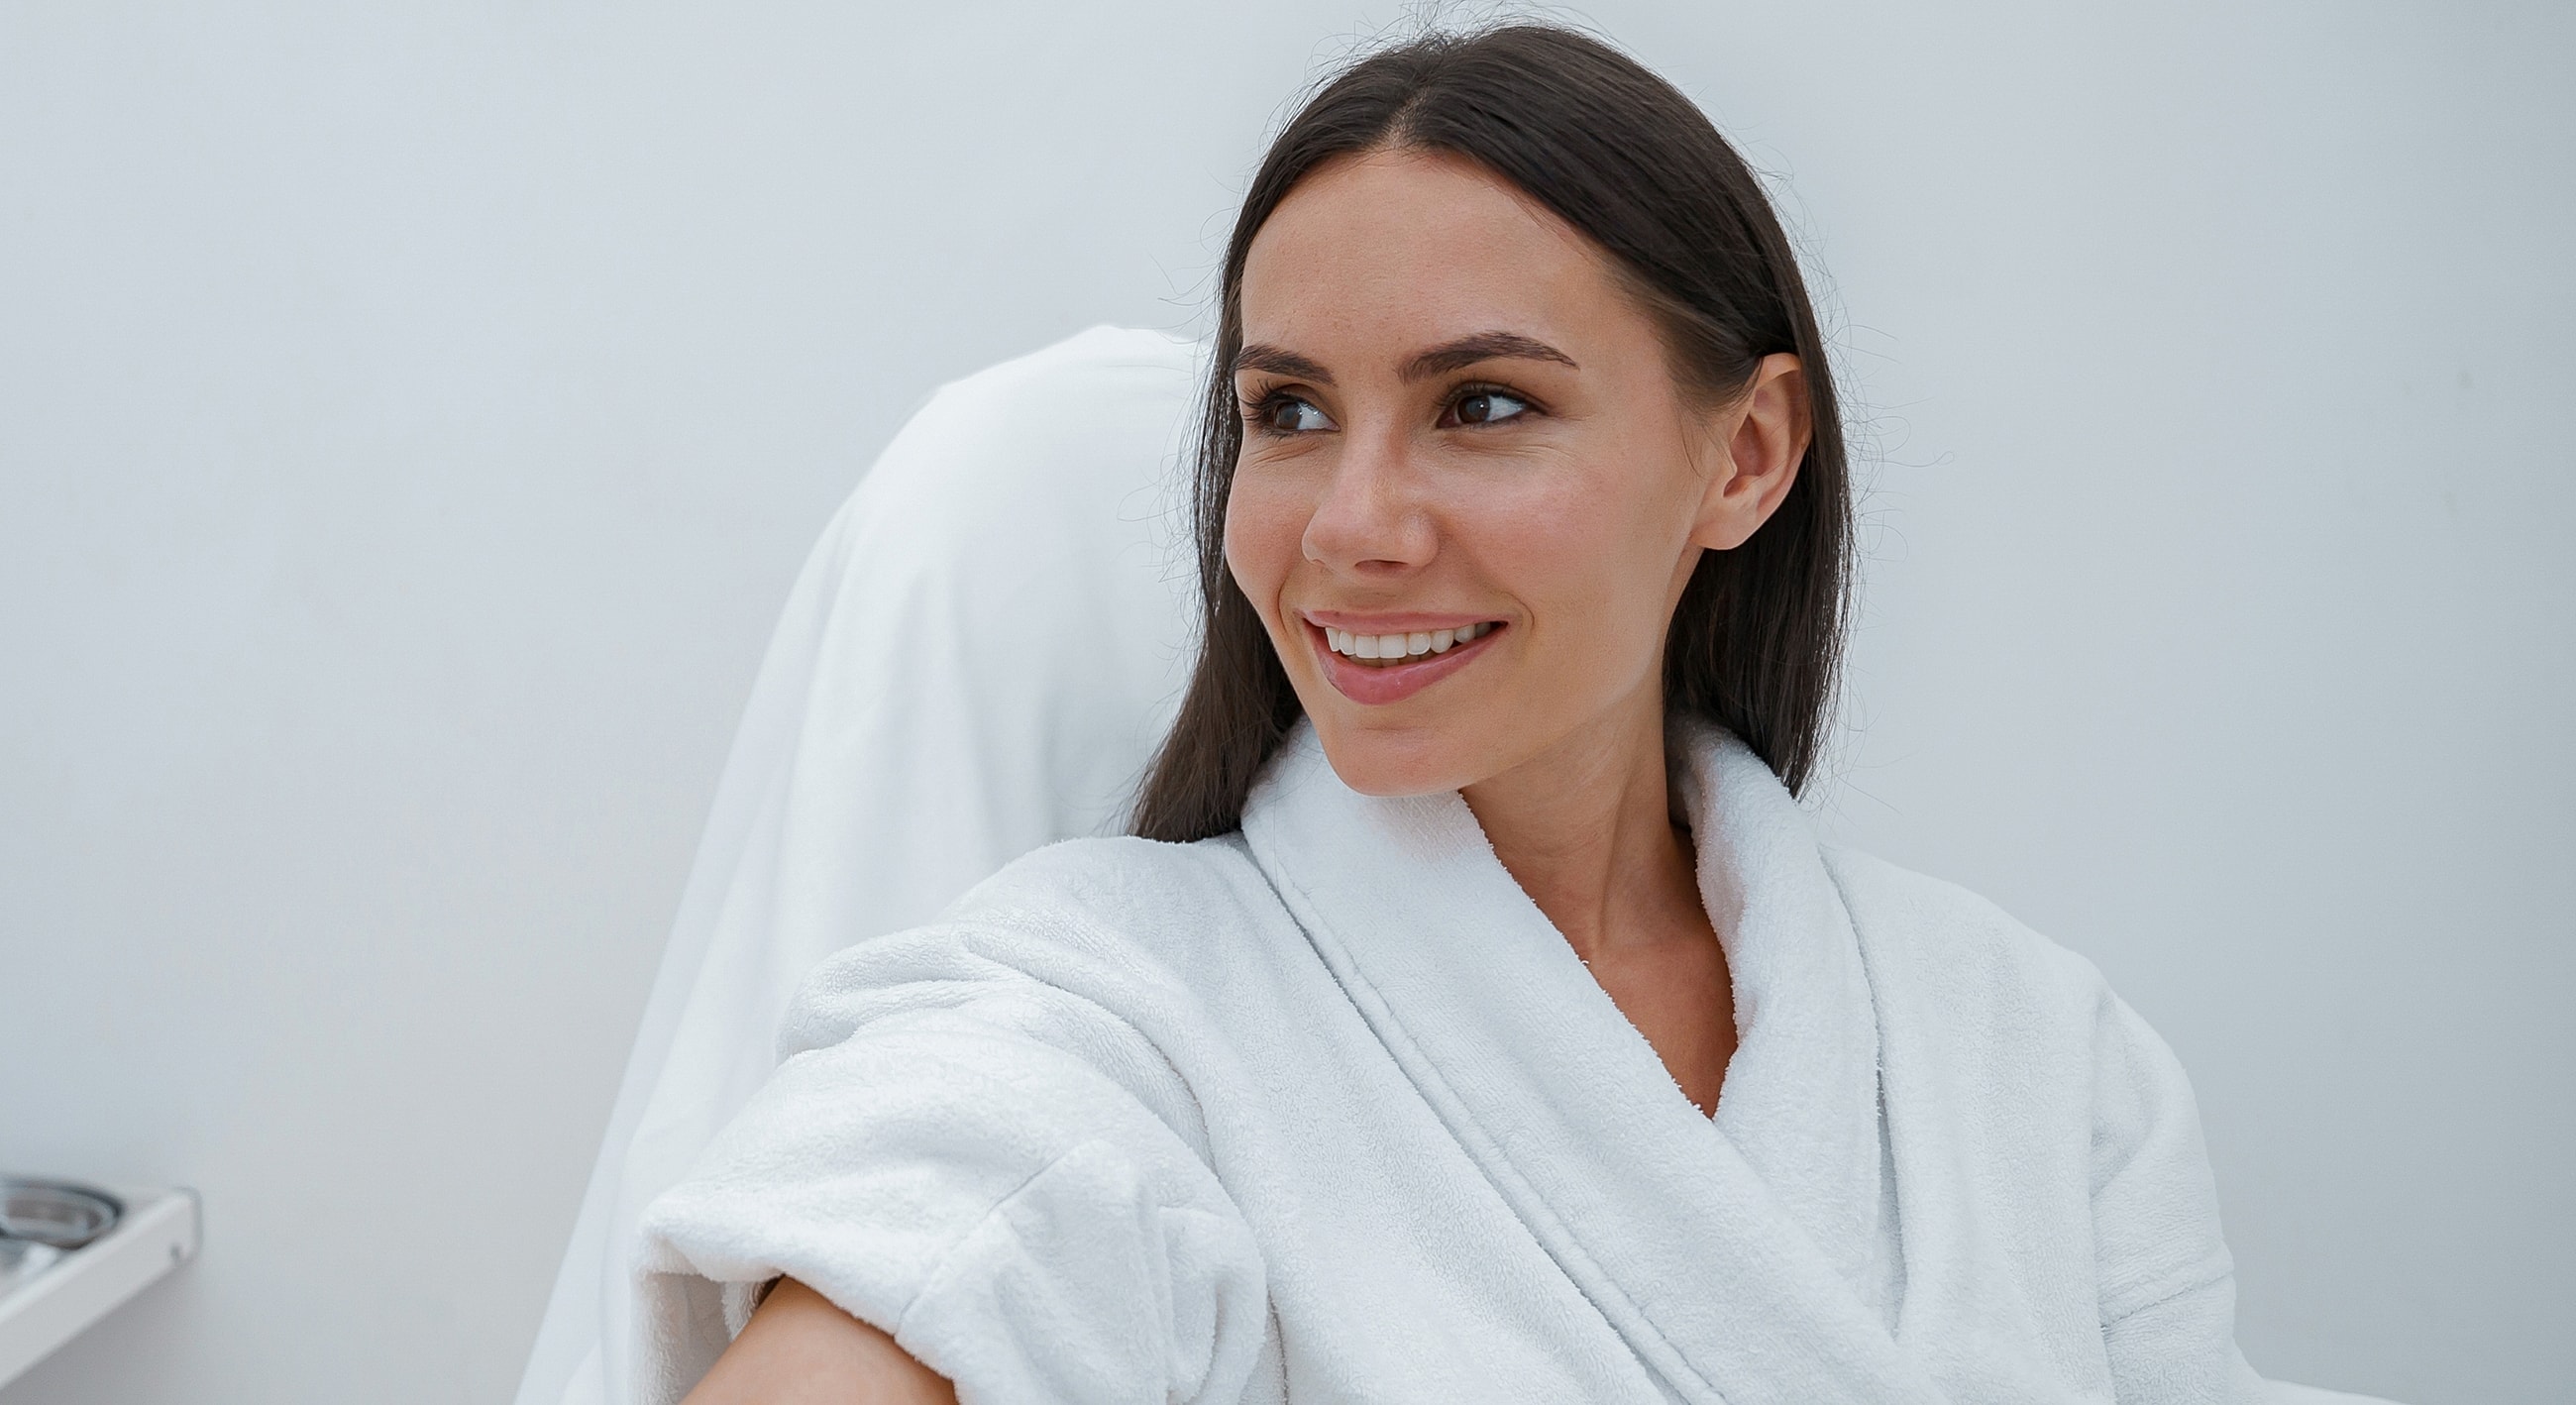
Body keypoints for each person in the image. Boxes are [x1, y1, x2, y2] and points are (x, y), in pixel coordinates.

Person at [639, 24, 2266, 1405]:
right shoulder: (1100, 1013)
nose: (1352, 525)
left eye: (1482, 404)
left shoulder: (2033, 1053)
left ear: (1747, 454)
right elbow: (939, 1224)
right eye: (1289, 411)